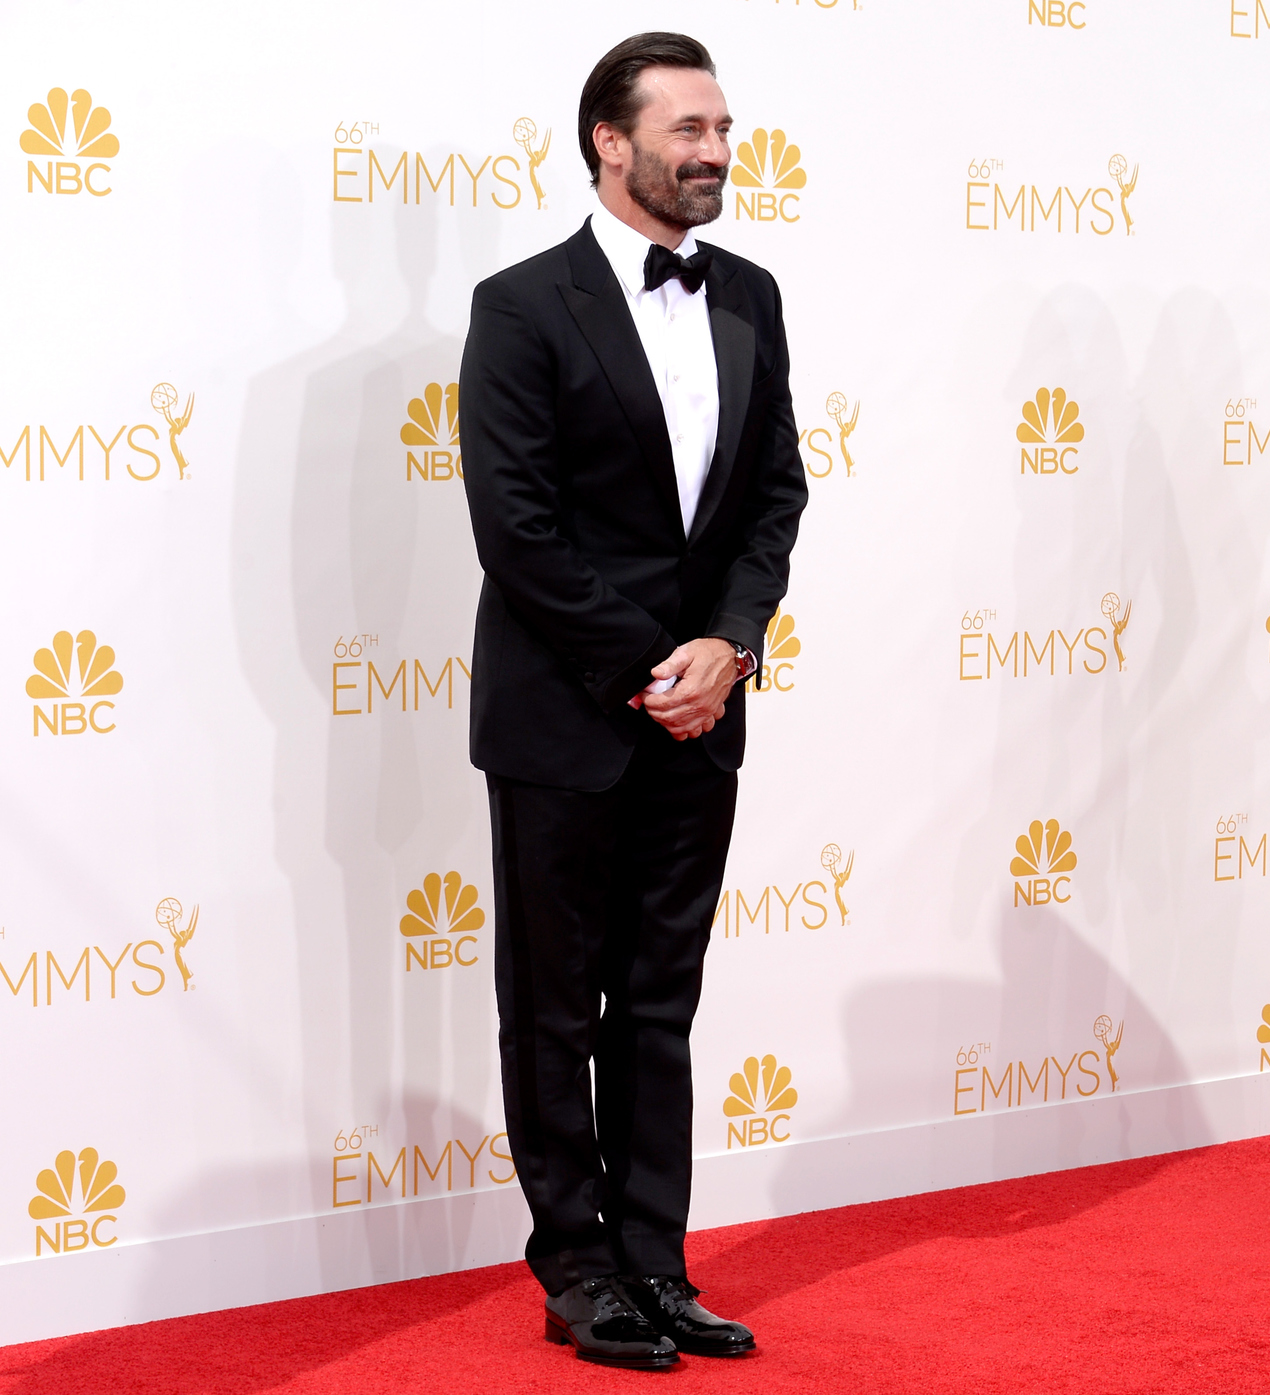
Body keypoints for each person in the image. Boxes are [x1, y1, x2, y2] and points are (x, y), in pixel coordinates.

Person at [459, 32, 805, 1363]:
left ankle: (658, 1260)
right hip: (564, 717)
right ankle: (578, 1265)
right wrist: (645, 667)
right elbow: (518, 527)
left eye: (724, 127)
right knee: (555, 1003)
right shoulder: (523, 305)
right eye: (689, 129)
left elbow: (774, 495)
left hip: (703, 710)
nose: (716, 150)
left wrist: (728, 644)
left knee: (659, 1000)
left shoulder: (753, 296)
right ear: (612, 140)